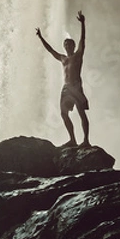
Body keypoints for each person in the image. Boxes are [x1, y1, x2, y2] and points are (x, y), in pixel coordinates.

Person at [36, 11, 90, 147]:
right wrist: (40, 37)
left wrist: (83, 24)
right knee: (63, 113)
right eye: (65, 45)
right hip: (66, 88)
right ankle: (72, 140)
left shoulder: (78, 55)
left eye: (69, 44)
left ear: (73, 46)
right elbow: (50, 50)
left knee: (81, 112)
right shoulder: (62, 58)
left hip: (76, 86)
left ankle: (86, 140)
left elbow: (83, 40)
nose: (67, 46)